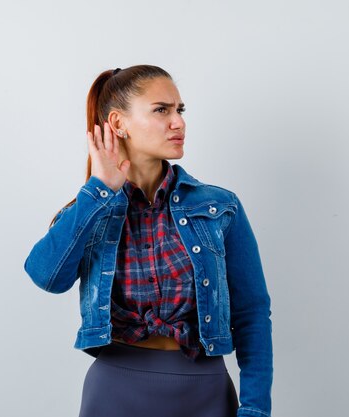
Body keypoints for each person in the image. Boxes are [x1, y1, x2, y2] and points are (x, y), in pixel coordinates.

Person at [23, 64, 273, 417]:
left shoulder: (219, 206)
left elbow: (252, 313)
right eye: (161, 110)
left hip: (206, 391)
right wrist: (98, 191)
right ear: (119, 123)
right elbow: (46, 277)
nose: (179, 122)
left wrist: (256, 408)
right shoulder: (92, 208)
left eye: (180, 110)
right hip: (115, 392)